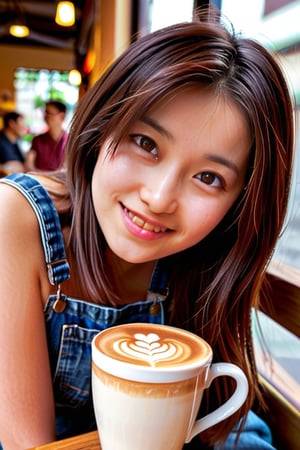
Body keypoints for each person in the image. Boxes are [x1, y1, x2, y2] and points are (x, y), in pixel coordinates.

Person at [0, 7, 294, 450]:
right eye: (146, 143)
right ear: (102, 128)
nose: (159, 198)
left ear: (239, 204)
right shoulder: (18, 217)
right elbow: (31, 446)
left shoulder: (206, 257)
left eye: (209, 178)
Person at [25, 100, 68, 171]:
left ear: (62, 116)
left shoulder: (70, 141)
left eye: (49, 113)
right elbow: (29, 166)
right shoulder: (37, 140)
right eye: (45, 113)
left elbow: (67, 169)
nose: (45, 117)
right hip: (40, 180)